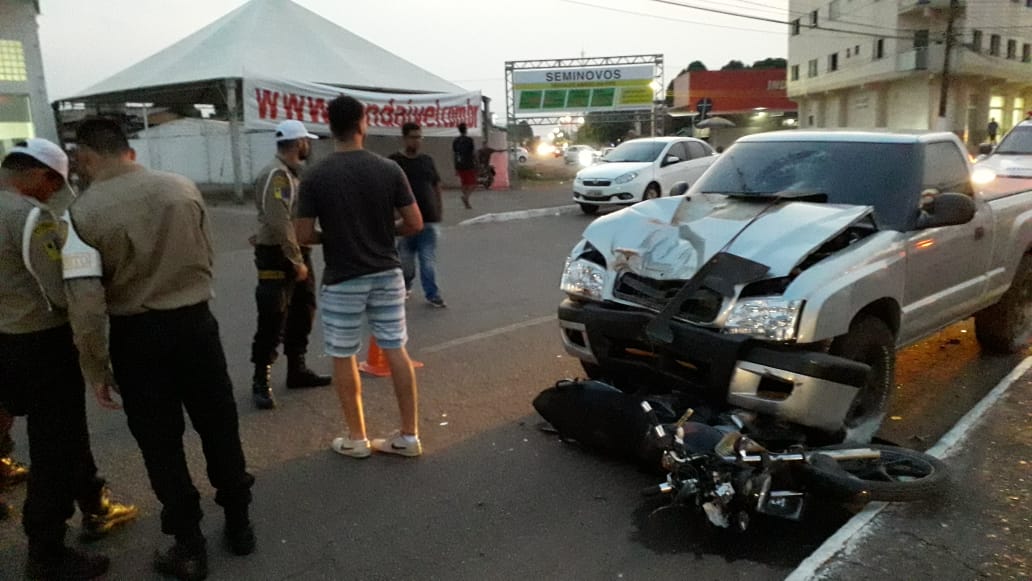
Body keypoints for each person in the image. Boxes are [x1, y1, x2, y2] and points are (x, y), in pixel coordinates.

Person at [63, 119, 256, 581]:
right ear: (127, 148)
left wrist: (96, 366)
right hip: (195, 325)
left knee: (160, 443)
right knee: (219, 425)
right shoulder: (181, 188)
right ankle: (240, 524)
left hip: (137, 336)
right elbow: (205, 255)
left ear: (87, 156)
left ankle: (189, 543)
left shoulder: (82, 213)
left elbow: (86, 303)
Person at [1, 139, 140, 579]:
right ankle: (46, 549)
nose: (55, 193)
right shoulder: (28, 218)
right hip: (39, 343)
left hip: (4, 339)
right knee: (55, 446)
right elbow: (59, 291)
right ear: (43, 176)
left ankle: (94, 502)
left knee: (66, 435)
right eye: (55, 184)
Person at [295, 95, 424, 459]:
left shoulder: (315, 175)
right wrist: (383, 231)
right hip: (386, 272)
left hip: (342, 278)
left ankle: (357, 438)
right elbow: (414, 222)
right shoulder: (388, 169)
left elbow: (302, 234)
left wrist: (333, 235)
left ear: (329, 126)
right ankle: (409, 436)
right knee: (395, 348)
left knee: (343, 354)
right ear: (362, 123)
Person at [250, 119, 331, 410]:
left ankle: (297, 369)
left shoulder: (291, 173)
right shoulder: (278, 175)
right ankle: (261, 378)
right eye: (306, 141)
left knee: (303, 311)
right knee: (273, 317)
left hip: (294, 251)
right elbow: (280, 221)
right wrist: (295, 260)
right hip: (280, 255)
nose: (308, 145)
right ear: (298, 143)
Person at [389, 123, 446, 308]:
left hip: (429, 220)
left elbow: (436, 186)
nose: (417, 141)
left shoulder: (427, 160)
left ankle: (433, 294)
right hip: (405, 222)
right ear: (404, 138)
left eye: (419, 137)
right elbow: (387, 190)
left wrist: (439, 209)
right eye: (413, 137)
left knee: (427, 261)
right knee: (405, 263)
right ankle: (405, 286)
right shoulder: (394, 162)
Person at [452, 122, 476, 208]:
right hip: (468, 164)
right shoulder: (469, 140)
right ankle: (466, 197)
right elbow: (473, 153)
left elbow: (455, 154)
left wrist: (455, 166)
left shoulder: (455, 141)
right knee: (473, 184)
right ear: (466, 130)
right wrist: (476, 163)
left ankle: (467, 202)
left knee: (464, 183)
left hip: (459, 164)